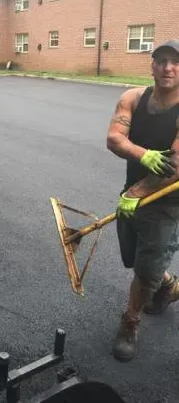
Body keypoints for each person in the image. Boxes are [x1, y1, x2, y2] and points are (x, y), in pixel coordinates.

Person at [106, 40, 179, 362]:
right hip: (132, 189)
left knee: (144, 267)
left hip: (168, 200)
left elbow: (175, 166)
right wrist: (143, 155)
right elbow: (114, 138)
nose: (168, 68)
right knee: (134, 257)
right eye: (161, 61)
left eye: (175, 62)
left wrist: (136, 194)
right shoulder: (133, 98)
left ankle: (130, 323)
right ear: (151, 66)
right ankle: (167, 285)